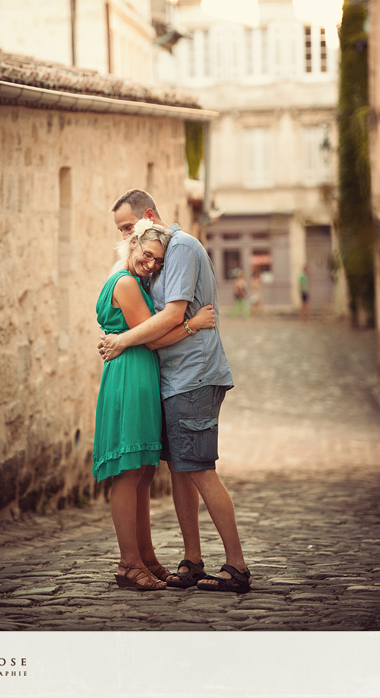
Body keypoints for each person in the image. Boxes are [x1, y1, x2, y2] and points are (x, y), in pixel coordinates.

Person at [100, 190, 252, 594]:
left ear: (149, 217)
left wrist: (126, 340)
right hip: (172, 378)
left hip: (193, 376)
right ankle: (192, 560)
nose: (133, 241)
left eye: (130, 226)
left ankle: (236, 566)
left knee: (199, 468)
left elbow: (170, 314)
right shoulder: (143, 268)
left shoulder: (180, 247)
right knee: (182, 469)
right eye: (126, 234)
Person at [95, 219, 216, 590]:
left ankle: (145, 558)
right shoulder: (127, 283)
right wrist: (193, 323)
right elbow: (151, 337)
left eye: (158, 262)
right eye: (147, 255)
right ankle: (128, 563)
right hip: (130, 374)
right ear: (132, 246)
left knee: (144, 471)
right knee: (129, 471)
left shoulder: (135, 279)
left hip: (140, 375)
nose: (151, 265)